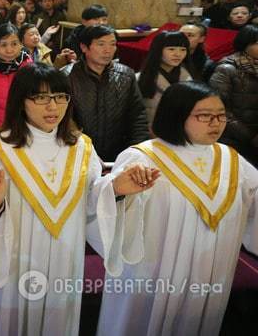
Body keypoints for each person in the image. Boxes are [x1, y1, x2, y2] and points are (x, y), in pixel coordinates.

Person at [0, 64, 158, 336]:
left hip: (64, 259)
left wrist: (116, 189)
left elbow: (93, 201)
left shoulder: (81, 148)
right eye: (41, 98)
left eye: (61, 97)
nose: (53, 107)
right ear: (20, 101)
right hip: (14, 261)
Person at [96, 81, 258, 336]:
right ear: (177, 114)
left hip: (212, 270)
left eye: (221, 115)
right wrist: (117, 191)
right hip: (153, 270)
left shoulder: (230, 159)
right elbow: (106, 204)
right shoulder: (142, 157)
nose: (216, 123)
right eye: (204, 116)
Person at [68, 25, 149, 163]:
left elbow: (138, 116)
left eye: (113, 44)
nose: (108, 50)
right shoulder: (67, 76)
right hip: (79, 155)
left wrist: (136, 152)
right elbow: (64, 121)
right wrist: (85, 152)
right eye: (101, 44)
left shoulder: (126, 75)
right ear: (84, 47)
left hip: (120, 155)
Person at [209, 24, 258, 164]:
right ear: (244, 44)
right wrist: (250, 136)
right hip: (234, 136)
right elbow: (219, 108)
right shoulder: (227, 69)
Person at [136, 31, 195, 128]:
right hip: (150, 134)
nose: (178, 54)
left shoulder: (189, 77)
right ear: (158, 50)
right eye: (171, 49)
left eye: (183, 50)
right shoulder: (139, 79)